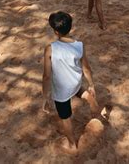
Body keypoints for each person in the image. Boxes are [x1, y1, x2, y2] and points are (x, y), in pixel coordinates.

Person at [42, 11, 100, 154]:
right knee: (79, 90)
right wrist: (91, 84)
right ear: (70, 27)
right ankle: (91, 100)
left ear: (55, 31)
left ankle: (72, 144)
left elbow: (46, 76)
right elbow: (86, 68)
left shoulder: (50, 49)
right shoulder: (79, 45)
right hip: (75, 82)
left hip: (61, 91)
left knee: (65, 118)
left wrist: (45, 97)